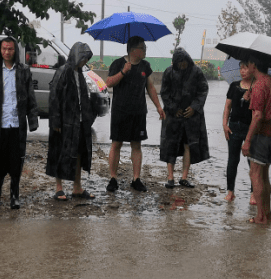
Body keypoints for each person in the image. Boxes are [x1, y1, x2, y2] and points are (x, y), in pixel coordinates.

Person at [0, 36, 39, 210]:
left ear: (15, 51)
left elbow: (31, 97)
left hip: (16, 125)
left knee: (16, 162)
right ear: (0, 50)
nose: (7, 52)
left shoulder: (24, 71)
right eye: (4, 49)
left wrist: (33, 121)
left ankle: (14, 196)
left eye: (10, 49)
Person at [105, 36, 165, 192]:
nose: (145, 50)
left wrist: (159, 107)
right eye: (143, 47)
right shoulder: (118, 64)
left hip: (138, 112)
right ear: (133, 50)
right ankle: (113, 178)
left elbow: (150, 88)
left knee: (136, 145)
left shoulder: (145, 66)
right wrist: (123, 72)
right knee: (116, 144)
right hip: (120, 111)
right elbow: (109, 83)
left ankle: (136, 179)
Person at [46, 42, 97, 200]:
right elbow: (54, 98)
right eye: (83, 58)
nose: (85, 62)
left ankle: (77, 188)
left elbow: (83, 98)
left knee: (79, 153)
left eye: (86, 59)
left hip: (79, 121)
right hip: (64, 122)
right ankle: (59, 188)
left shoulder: (80, 73)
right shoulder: (63, 72)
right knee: (60, 153)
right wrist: (55, 121)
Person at [160, 47, 209, 188]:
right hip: (173, 116)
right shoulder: (169, 72)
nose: (182, 65)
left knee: (188, 145)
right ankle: (170, 178)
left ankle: (184, 177)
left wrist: (194, 107)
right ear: (175, 62)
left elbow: (203, 90)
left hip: (190, 117)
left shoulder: (197, 72)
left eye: (184, 61)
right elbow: (164, 93)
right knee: (171, 145)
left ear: (188, 60)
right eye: (179, 62)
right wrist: (173, 108)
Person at [241, 62, 271, 224]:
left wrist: (248, 140)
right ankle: (267, 215)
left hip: (262, 136)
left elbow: (258, 116)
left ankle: (260, 216)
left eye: (246, 64)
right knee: (264, 176)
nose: (244, 67)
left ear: (253, 65)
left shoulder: (259, 85)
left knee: (255, 174)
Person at [222, 59, 255, 202]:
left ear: (252, 69)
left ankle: (253, 193)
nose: (242, 71)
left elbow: (258, 111)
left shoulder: (257, 87)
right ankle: (230, 192)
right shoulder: (234, 86)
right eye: (241, 68)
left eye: (245, 68)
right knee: (232, 160)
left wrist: (251, 97)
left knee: (252, 162)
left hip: (250, 128)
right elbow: (227, 107)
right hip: (234, 126)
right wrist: (224, 124)